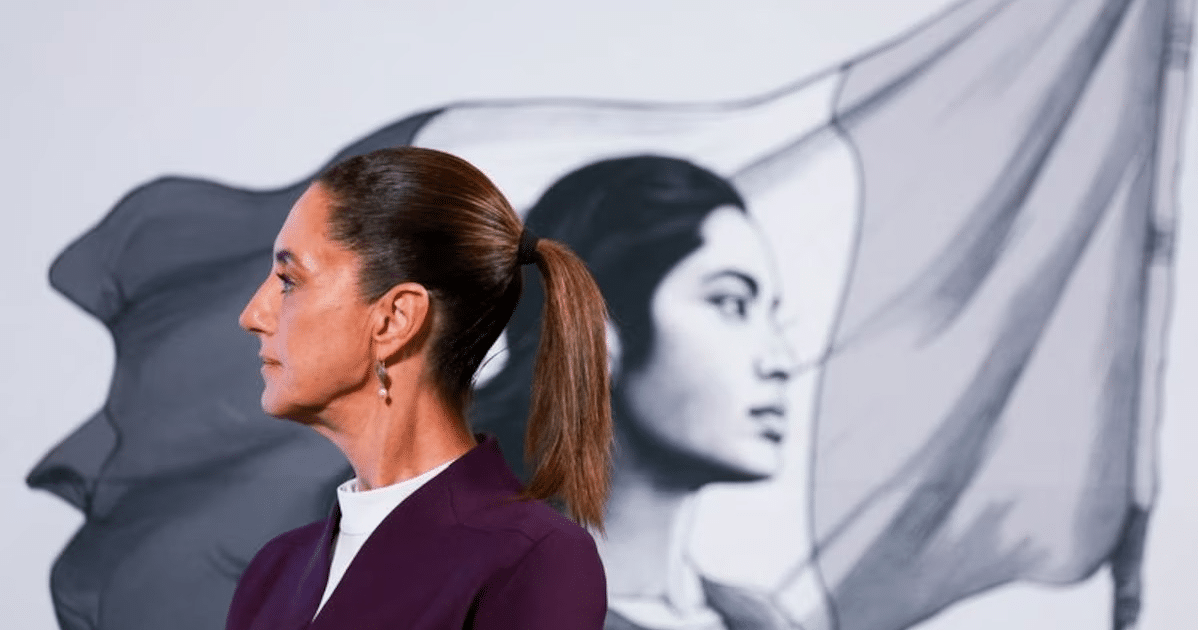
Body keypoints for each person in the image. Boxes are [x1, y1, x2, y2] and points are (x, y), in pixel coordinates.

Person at [225, 146, 612, 629]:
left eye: (288, 280)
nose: (252, 316)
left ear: (394, 319)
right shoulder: (275, 572)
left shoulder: (532, 558)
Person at [473, 156, 802, 630]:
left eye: (771, 314)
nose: (780, 361)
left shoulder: (760, 620)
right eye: (731, 303)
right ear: (594, 335)